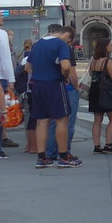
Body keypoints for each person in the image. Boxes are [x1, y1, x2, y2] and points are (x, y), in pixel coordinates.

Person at [26, 24, 82, 168]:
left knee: (42, 121)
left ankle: (42, 157)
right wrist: (65, 76)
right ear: (66, 35)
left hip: (38, 86)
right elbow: (66, 66)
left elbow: (27, 67)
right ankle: (63, 156)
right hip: (54, 84)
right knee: (62, 119)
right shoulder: (61, 44)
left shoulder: (37, 44)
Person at [87, 37, 112, 153]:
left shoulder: (93, 60)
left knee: (97, 119)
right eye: (110, 45)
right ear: (105, 47)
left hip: (94, 91)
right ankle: (108, 144)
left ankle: (97, 146)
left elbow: (91, 74)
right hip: (107, 92)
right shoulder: (107, 61)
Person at [0, 8, 17, 149]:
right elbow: (5, 59)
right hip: (0, 77)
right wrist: (11, 80)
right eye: (0, 15)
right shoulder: (1, 34)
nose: (2, 18)